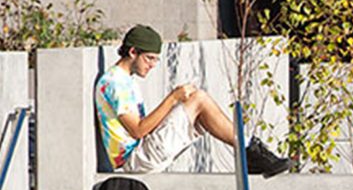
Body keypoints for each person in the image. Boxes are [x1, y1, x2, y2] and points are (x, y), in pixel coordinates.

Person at [95, 24, 291, 176]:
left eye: (156, 60)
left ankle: (249, 149)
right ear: (132, 52)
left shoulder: (125, 80)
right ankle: (250, 149)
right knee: (199, 100)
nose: (153, 65)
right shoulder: (115, 83)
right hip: (136, 161)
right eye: (149, 58)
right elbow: (137, 130)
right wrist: (172, 99)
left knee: (198, 105)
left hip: (143, 153)